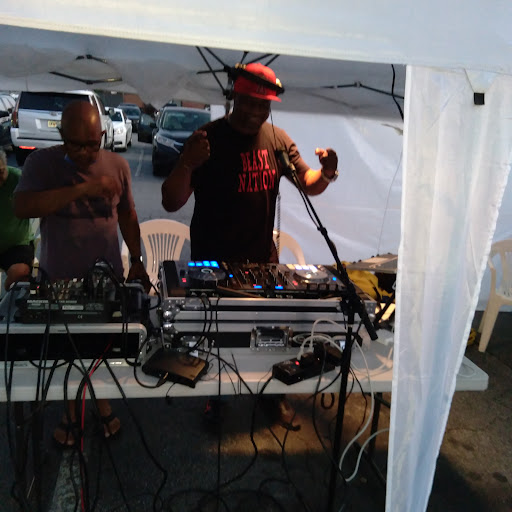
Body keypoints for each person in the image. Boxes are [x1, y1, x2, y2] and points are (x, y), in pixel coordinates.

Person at [161, 62, 339, 428]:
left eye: (264, 104)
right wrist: (186, 163)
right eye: (250, 102)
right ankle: (217, 398)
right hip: (214, 264)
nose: (257, 111)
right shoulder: (206, 139)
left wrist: (327, 173)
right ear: (234, 97)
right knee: (217, 335)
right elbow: (170, 201)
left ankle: (273, 396)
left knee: (273, 334)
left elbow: (308, 182)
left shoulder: (278, 139)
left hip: (262, 261)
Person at [14, 100, 150, 447]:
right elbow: (22, 206)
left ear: (102, 134)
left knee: (100, 347)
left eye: (93, 144)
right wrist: (83, 189)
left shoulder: (118, 165)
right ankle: (71, 413)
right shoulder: (41, 163)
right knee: (65, 351)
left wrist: (137, 258)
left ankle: (100, 403)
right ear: (62, 136)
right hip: (58, 278)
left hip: (106, 276)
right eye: (76, 145)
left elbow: (128, 215)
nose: (87, 153)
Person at [0, 149, 34, 291]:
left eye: (0, 172)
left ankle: (7, 300)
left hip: (16, 245)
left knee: (20, 272)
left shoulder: (19, 179)